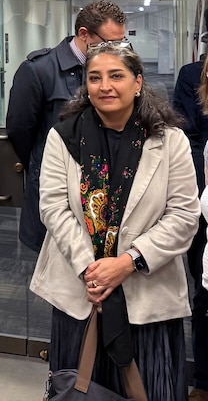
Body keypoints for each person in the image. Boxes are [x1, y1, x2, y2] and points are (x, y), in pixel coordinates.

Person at [31, 43, 198, 399]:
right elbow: (53, 208)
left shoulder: (170, 141)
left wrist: (128, 262)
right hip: (81, 295)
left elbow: (184, 215)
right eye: (95, 77)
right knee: (80, 389)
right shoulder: (62, 138)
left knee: (149, 388)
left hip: (147, 298)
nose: (104, 85)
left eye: (116, 75)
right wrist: (91, 270)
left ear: (138, 82)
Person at [6, 0, 127, 252]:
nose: (117, 51)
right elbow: (20, 130)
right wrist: (41, 163)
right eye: (109, 43)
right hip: (58, 185)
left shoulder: (118, 67)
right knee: (57, 266)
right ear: (84, 35)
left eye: (121, 43)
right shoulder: (39, 70)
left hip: (106, 186)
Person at [173, 55, 208, 401]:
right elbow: (188, 139)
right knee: (204, 293)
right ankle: (204, 378)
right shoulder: (193, 75)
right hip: (205, 202)